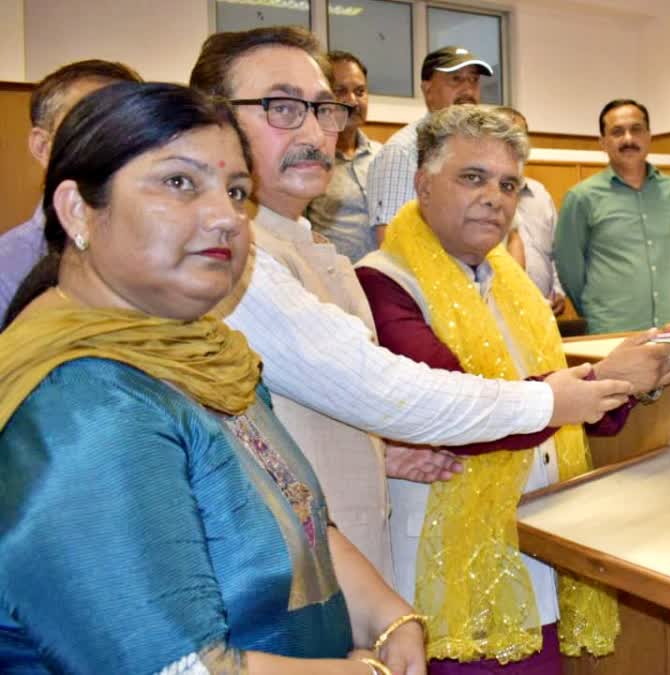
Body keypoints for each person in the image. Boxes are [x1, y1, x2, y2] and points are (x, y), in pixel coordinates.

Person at [0, 82, 424, 675]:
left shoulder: (209, 355)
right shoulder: (85, 401)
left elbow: (296, 511)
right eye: (179, 182)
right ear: (76, 210)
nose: (227, 216)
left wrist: (386, 613)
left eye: (237, 191)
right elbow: (174, 668)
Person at [189, 27, 631, 583]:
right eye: (281, 107)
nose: (313, 131)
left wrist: (380, 454)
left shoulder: (309, 246)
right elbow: (376, 387)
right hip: (283, 575)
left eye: (323, 109)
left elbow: (310, 413)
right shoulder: (229, 256)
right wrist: (546, 402)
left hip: (349, 557)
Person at [355, 105, 670, 673]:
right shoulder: (383, 282)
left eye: (509, 184)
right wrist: (605, 378)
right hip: (449, 576)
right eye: (472, 177)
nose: (495, 196)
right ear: (422, 185)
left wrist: (642, 375)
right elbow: (457, 414)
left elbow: (573, 414)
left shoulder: (515, 286)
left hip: (536, 548)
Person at [0, 59, 141, 320]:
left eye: (126, 128)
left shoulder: (164, 251)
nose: (113, 143)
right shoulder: (8, 269)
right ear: (43, 147)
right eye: (89, 126)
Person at [554, 99, 670, 334]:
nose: (628, 139)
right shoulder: (582, 197)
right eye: (617, 132)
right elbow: (570, 269)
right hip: (612, 332)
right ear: (602, 142)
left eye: (636, 129)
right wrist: (598, 312)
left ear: (648, 136)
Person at [366, 46, 491, 246]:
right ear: (427, 90)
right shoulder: (403, 152)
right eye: (456, 79)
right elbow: (392, 241)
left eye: (474, 80)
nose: (468, 90)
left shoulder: (479, 149)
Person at [306, 50, 383, 262]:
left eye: (360, 91)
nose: (352, 101)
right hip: (334, 283)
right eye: (340, 91)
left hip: (386, 282)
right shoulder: (308, 161)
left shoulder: (382, 155)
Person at [494, 106, 567, 315]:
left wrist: (559, 291)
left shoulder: (541, 194)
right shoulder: (480, 196)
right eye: (506, 133)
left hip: (543, 313)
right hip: (496, 315)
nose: (516, 142)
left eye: (521, 135)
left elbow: (556, 252)